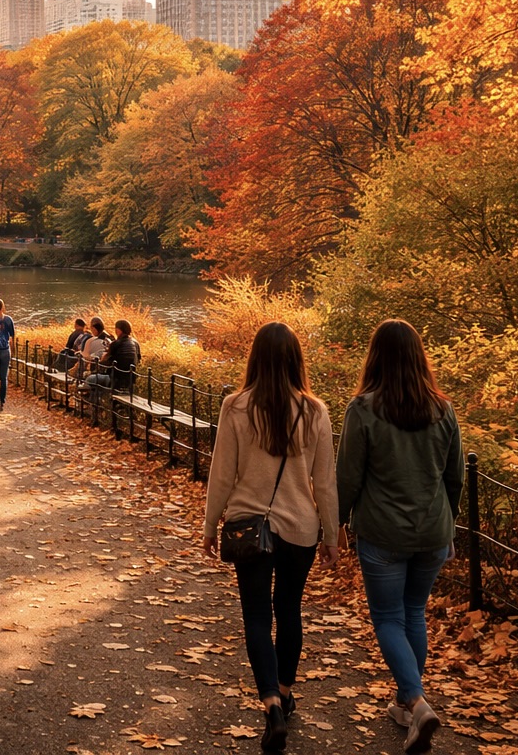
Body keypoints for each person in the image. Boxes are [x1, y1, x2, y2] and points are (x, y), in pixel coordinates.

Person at [202, 322, 339, 754]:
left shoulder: (237, 406)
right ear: (297, 360)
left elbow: (223, 473)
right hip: (301, 528)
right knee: (290, 609)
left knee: (257, 616)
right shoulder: (315, 411)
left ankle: (271, 706)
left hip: (250, 527)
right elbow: (326, 483)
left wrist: (209, 525)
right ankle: (284, 688)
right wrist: (333, 536)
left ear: (255, 359)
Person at [336, 320, 463, 754]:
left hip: (383, 532)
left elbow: (349, 477)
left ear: (375, 357)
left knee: (389, 617)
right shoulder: (444, 410)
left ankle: (415, 700)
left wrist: (334, 523)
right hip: (432, 531)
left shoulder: (364, 408)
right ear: (418, 356)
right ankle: (407, 706)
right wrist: (449, 526)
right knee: (414, 613)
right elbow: (454, 479)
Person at [106, 319, 141, 389]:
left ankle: (92, 399)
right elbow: (138, 360)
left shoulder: (115, 344)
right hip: (131, 379)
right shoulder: (135, 343)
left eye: (116, 328)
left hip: (115, 378)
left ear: (119, 330)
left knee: (91, 379)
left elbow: (106, 361)